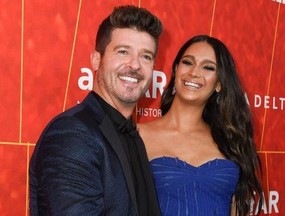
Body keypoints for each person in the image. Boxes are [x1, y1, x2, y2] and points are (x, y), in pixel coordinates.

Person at [29, 5, 163, 215]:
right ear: (96, 60)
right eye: (123, 51)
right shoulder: (72, 135)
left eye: (146, 56)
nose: (135, 65)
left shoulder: (131, 135)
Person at [138, 35, 263, 216]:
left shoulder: (229, 141)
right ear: (176, 71)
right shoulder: (139, 135)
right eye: (188, 62)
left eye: (208, 67)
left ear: (219, 83)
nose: (194, 72)